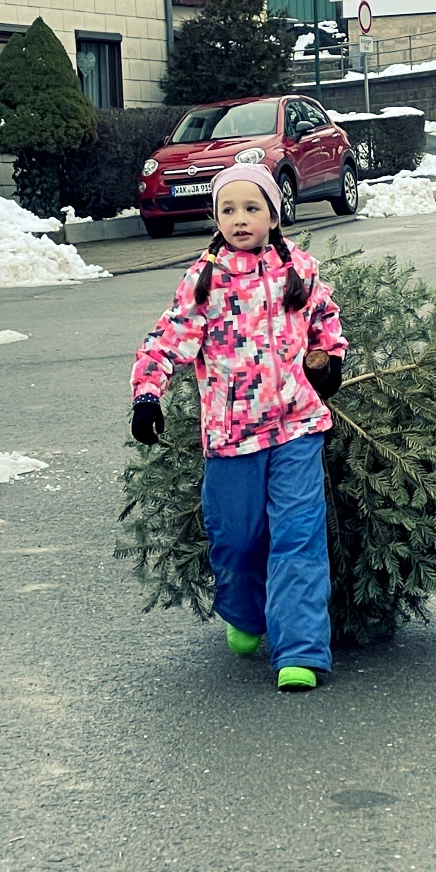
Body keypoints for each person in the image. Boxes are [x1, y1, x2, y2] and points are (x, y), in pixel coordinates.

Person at [130, 162, 347, 691]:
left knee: (298, 536)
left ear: (274, 216)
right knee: (237, 540)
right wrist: (147, 395)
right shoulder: (205, 280)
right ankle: (246, 615)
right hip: (232, 437)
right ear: (216, 217)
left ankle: (300, 651)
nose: (241, 218)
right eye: (229, 209)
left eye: (253, 208)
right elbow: (168, 339)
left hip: (297, 428)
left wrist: (329, 357)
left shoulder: (299, 268)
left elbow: (325, 320)